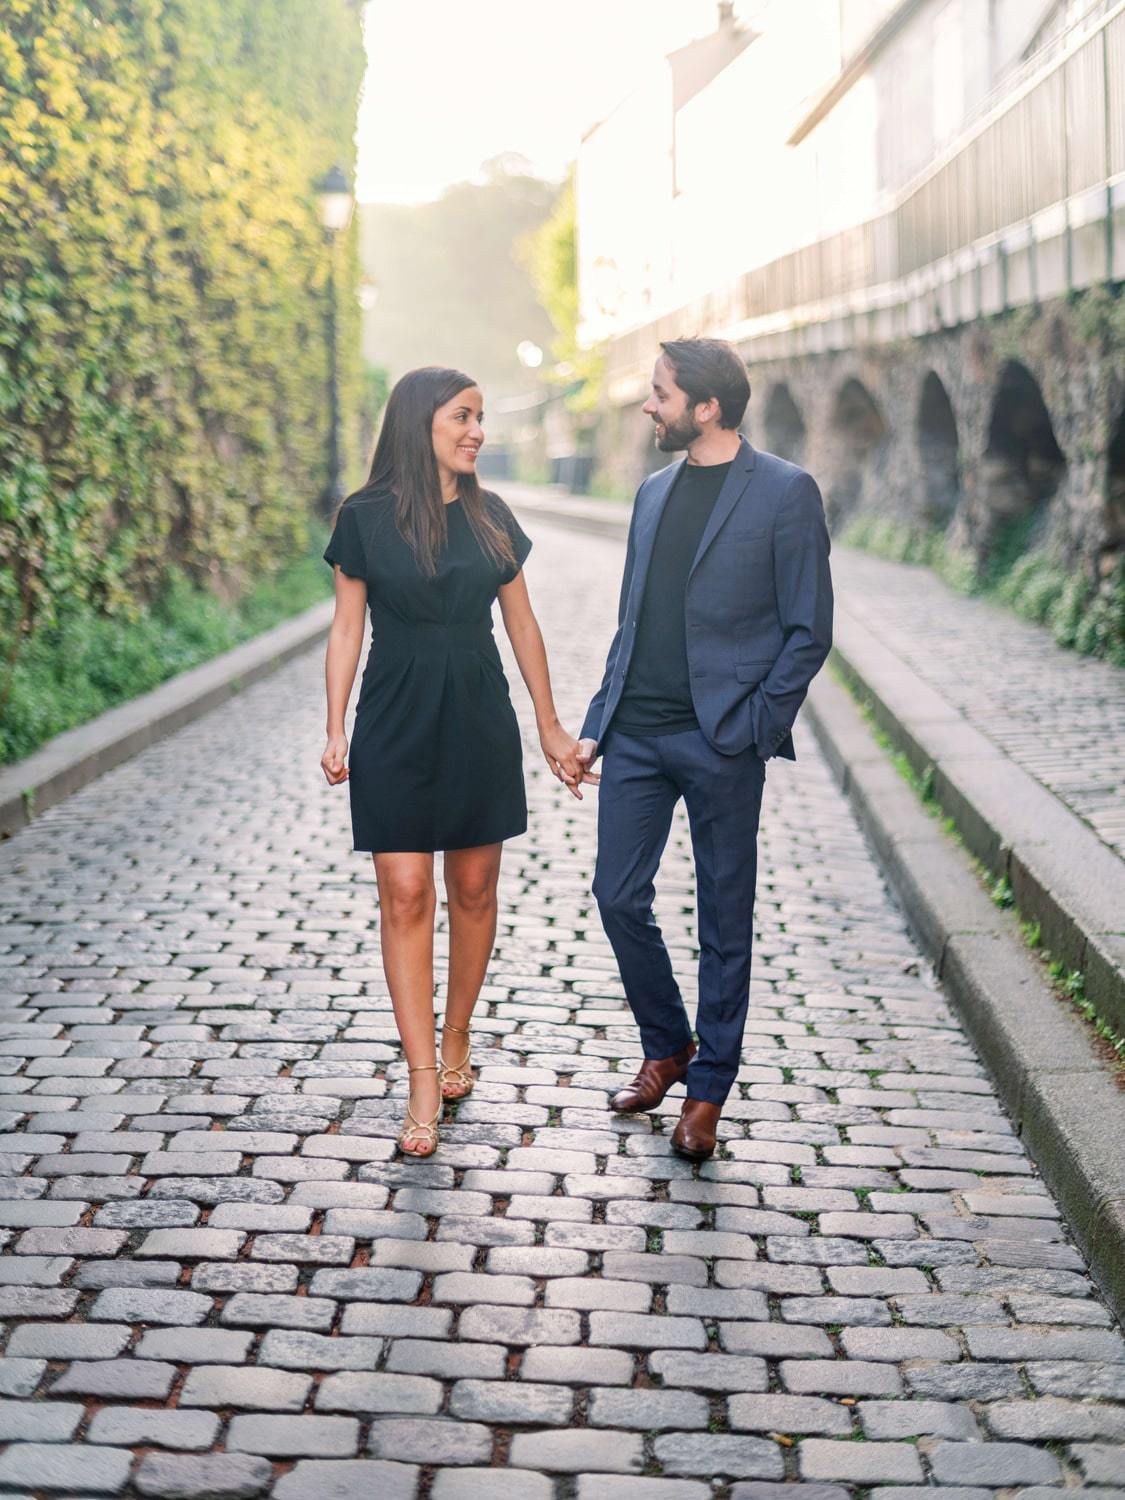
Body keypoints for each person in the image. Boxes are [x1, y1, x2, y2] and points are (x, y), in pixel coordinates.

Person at [574, 337, 833, 1160]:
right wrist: (595, 722)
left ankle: (707, 1091)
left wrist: (756, 726)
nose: (648, 405)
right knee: (617, 896)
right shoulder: (651, 494)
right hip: (638, 739)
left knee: (725, 920)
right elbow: (631, 622)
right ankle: (667, 1043)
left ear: (706, 406)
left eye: (659, 393)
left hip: (723, 741)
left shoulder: (786, 493)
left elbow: (807, 629)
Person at [321, 366, 581, 1157]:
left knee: (472, 885)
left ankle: (458, 1034)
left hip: (476, 710)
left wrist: (549, 725)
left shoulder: (491, 515)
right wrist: (334, 727)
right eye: (462, 417)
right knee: (404, 891)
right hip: (394, 712)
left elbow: (523, 626)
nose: (476, 431)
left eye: (479, 418)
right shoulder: (362, 519)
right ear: (418, 424)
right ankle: (421, 1077)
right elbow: (345, 629)